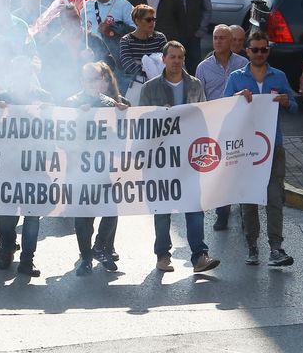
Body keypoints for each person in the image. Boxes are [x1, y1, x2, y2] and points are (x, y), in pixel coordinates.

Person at [138, 41, 220, 274]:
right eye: (172, 57)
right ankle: (163, 255)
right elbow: (142, 121)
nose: (176, 61)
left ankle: (199, 256)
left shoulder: (194, 85)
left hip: (188, 157)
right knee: (162, 209)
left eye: (180, 57)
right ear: (163, 59)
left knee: (194, 205)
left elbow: (202, 116)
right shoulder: (150, 88)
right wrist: (159, 115)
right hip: (161, 159)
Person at [224, 31, 298, 268]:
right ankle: (252, 245)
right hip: (246, 149)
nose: (259, 54)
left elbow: (295, 106)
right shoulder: (236, 78)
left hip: (273, 146)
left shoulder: (279, 76)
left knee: (275, 197)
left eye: (263, 49)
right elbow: (224, 109)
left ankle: (276, 247)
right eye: (254, 49)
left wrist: (287, 102)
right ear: (247, 51)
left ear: (268, 51)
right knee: (249, 198)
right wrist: (236, 97)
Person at [0, 57, 49, 278]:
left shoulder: (43, 99)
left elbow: (58, 129)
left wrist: (49, 112)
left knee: (32, 217)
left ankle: (27, 260)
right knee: (7, 216)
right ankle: (7, 247)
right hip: (7, 168)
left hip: (36, 168)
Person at [68, 61, 128, 276]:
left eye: (97, 78)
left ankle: (100, 246)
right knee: (84, 217)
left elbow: (121, 135)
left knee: (111, 209)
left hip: (104, 170)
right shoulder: (71, 103)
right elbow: (60, 137)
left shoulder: (109, 104)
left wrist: (123, 114)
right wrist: (76, 115)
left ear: (103, 81)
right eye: (89, 78)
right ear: (81, 81)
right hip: (79, 171)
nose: (94, 82)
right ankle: (85, 258)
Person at [195, 23, 250, 230]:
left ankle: (246, 211)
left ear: (231, 41)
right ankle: (222, 212)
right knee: (221, 170)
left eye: (222, 38)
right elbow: (200, 97)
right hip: (216, 124)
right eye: (215, 38)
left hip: (240, 123)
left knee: (241, 167)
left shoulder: (243, 63)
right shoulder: (203, 67)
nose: (218, 41)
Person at [117, 3, 167, 105]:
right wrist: (153, 67)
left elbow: (166, 62)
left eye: (154, 19)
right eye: (148, 20)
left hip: (160, 87)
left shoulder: (160, 37)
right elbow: (128, 66)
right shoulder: (126, 40)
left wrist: (143, 64)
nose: (152, 22)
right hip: (137, 88)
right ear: (137, 21)